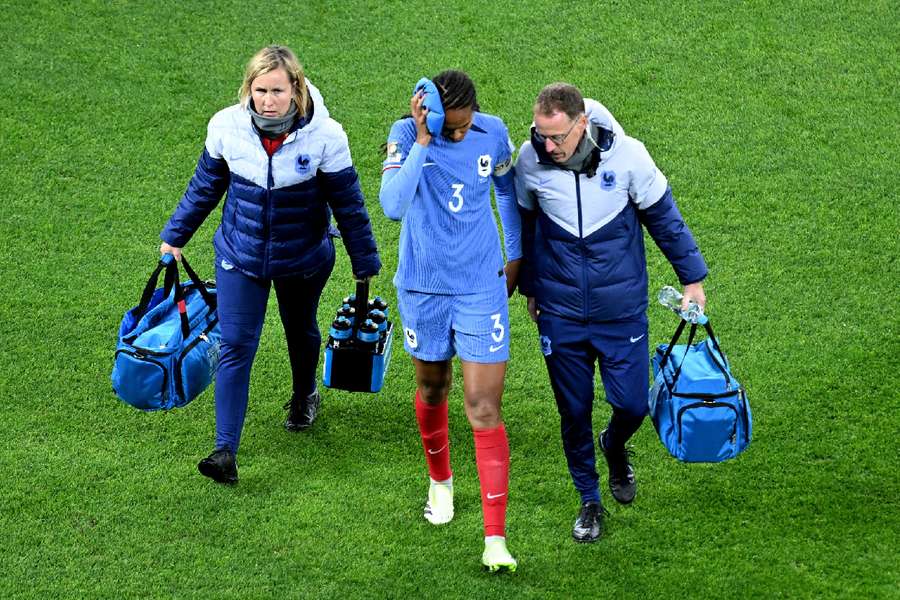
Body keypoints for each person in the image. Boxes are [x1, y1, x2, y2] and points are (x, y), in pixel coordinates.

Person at [158, 45, 381, 484]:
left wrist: (364, 261)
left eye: (277, 90)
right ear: (249, 89)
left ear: (295, 88)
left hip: (304, 257)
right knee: (238, 344)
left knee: (301, 330)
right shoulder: (227, 126)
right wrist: (174, 236)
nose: (267, 100)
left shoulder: (326, 136)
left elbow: (349, 204)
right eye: (260, 90)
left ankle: (304, 395)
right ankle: (225, 450)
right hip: (240, 255)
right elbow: (205, 185)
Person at [514, 83, 708, 542]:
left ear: (582, 124)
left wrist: (692, 280)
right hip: (559, 313)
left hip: (620, 313)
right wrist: (530, 286)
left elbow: (665, 219)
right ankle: (589, 499)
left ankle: (615, 444)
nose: (548, 146)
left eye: (557, 137)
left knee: (633, 404)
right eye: (541, 135)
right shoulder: (529, 160)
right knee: (573, 409)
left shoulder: (629, 158)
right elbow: (526, 227)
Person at [379, 71, 521, 572]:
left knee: (483, 405)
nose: (458, 136)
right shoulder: (404, 135)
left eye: (464, 127)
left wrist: (516, 254)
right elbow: (393, 206)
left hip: (481, 285)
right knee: (432, 387)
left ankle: (495, 538)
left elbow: (507, 190)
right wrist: (422, 140)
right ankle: (440, 483)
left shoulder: (494, 131)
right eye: (449, 128)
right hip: (422, 286)